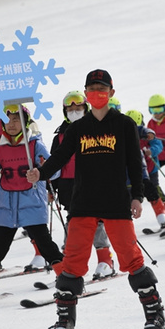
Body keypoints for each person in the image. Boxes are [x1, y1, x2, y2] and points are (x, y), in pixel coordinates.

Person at [27, 69, 165, 329]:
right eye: (91, 89)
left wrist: (137, 196)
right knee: (72, 262)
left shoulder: (125, 124)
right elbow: (59, 157)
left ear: (111, 93)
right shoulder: (78, 129)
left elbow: (134, 164)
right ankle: (65, 321)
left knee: (131, 259)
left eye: (101, 89)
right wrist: (40, 173)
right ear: (86, 94)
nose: (96, 94)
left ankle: (156, 316)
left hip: (116, 202)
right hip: (83, 204)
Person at [0, 104, 64, 303]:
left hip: (31, 204)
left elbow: (55, 169)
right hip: (6, 206)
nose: (11, 124)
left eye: (16, 119)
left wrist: (43, 169)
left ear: (26, 122)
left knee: (45, 245)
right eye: (7, 120)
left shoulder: (35, 144)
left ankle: (66, 279)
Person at [0, 96, 49, 272]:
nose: (11, 122)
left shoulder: (27, 122)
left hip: (28, 185)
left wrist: (42, 169)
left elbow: (38, 143)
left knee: (36, 229)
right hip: (1, 183)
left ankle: (41, 255)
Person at [51, 91, 116, 279]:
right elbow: (55, 163)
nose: (74, 111)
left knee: (96, 222)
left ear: (85, 108)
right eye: (70, 109)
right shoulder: (60, 136)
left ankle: (105, 261)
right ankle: (69, 265)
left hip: (92, 183)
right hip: (68, 186)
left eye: (78, 108)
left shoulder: (96, 128)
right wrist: (51, 188)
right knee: (72, 224)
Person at [126, 109, 165, 229]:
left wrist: (151, 151)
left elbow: (158, 145)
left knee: (155, 191)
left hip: (151, 170)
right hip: (137, 173)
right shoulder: (126, 139)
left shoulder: (147, 135)